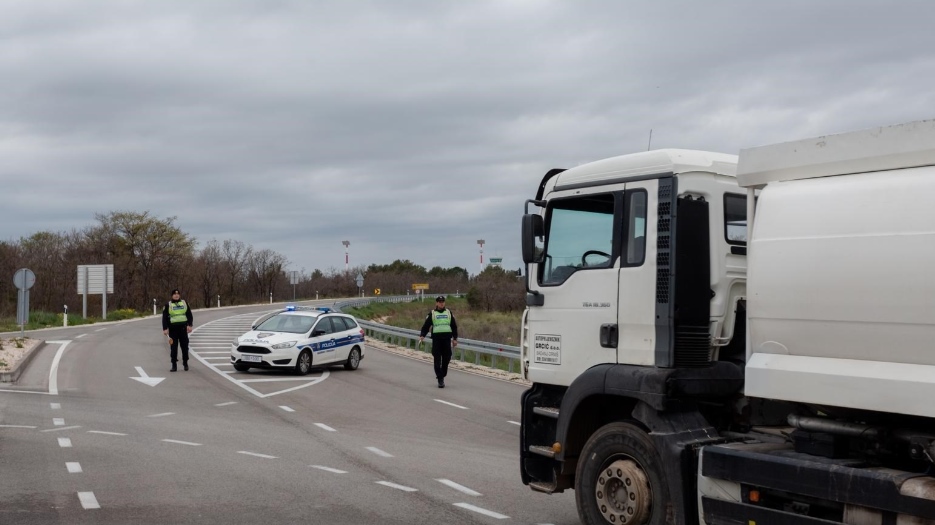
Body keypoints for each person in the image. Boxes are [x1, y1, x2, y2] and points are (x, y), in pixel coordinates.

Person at [419, 295, 458, 388]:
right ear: (436, 303)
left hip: (446, 339)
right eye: (439, 302)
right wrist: (422, 335)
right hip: (437, 340)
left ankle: (442, 374)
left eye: (443, 302)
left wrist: (455, 338)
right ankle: (440, 379)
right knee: (437, 359)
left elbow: (454, 326)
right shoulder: (432, 314)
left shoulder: (449, 313)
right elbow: (426, 326)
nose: (441, 303)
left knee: (447, 358)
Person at [162, 288, 193, 372]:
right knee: (173, 348)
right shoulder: (168, 305)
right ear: (172, 296)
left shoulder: (184, 303)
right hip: (173, 329)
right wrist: (165, 328)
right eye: (174, 294)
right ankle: (174, 365)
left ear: (179, 295)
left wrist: (190, 325)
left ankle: (185, 363)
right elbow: (164, 318)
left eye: (178, 294)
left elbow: (189, 314)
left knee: (185, 347)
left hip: (183, 329)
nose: (176, 295)